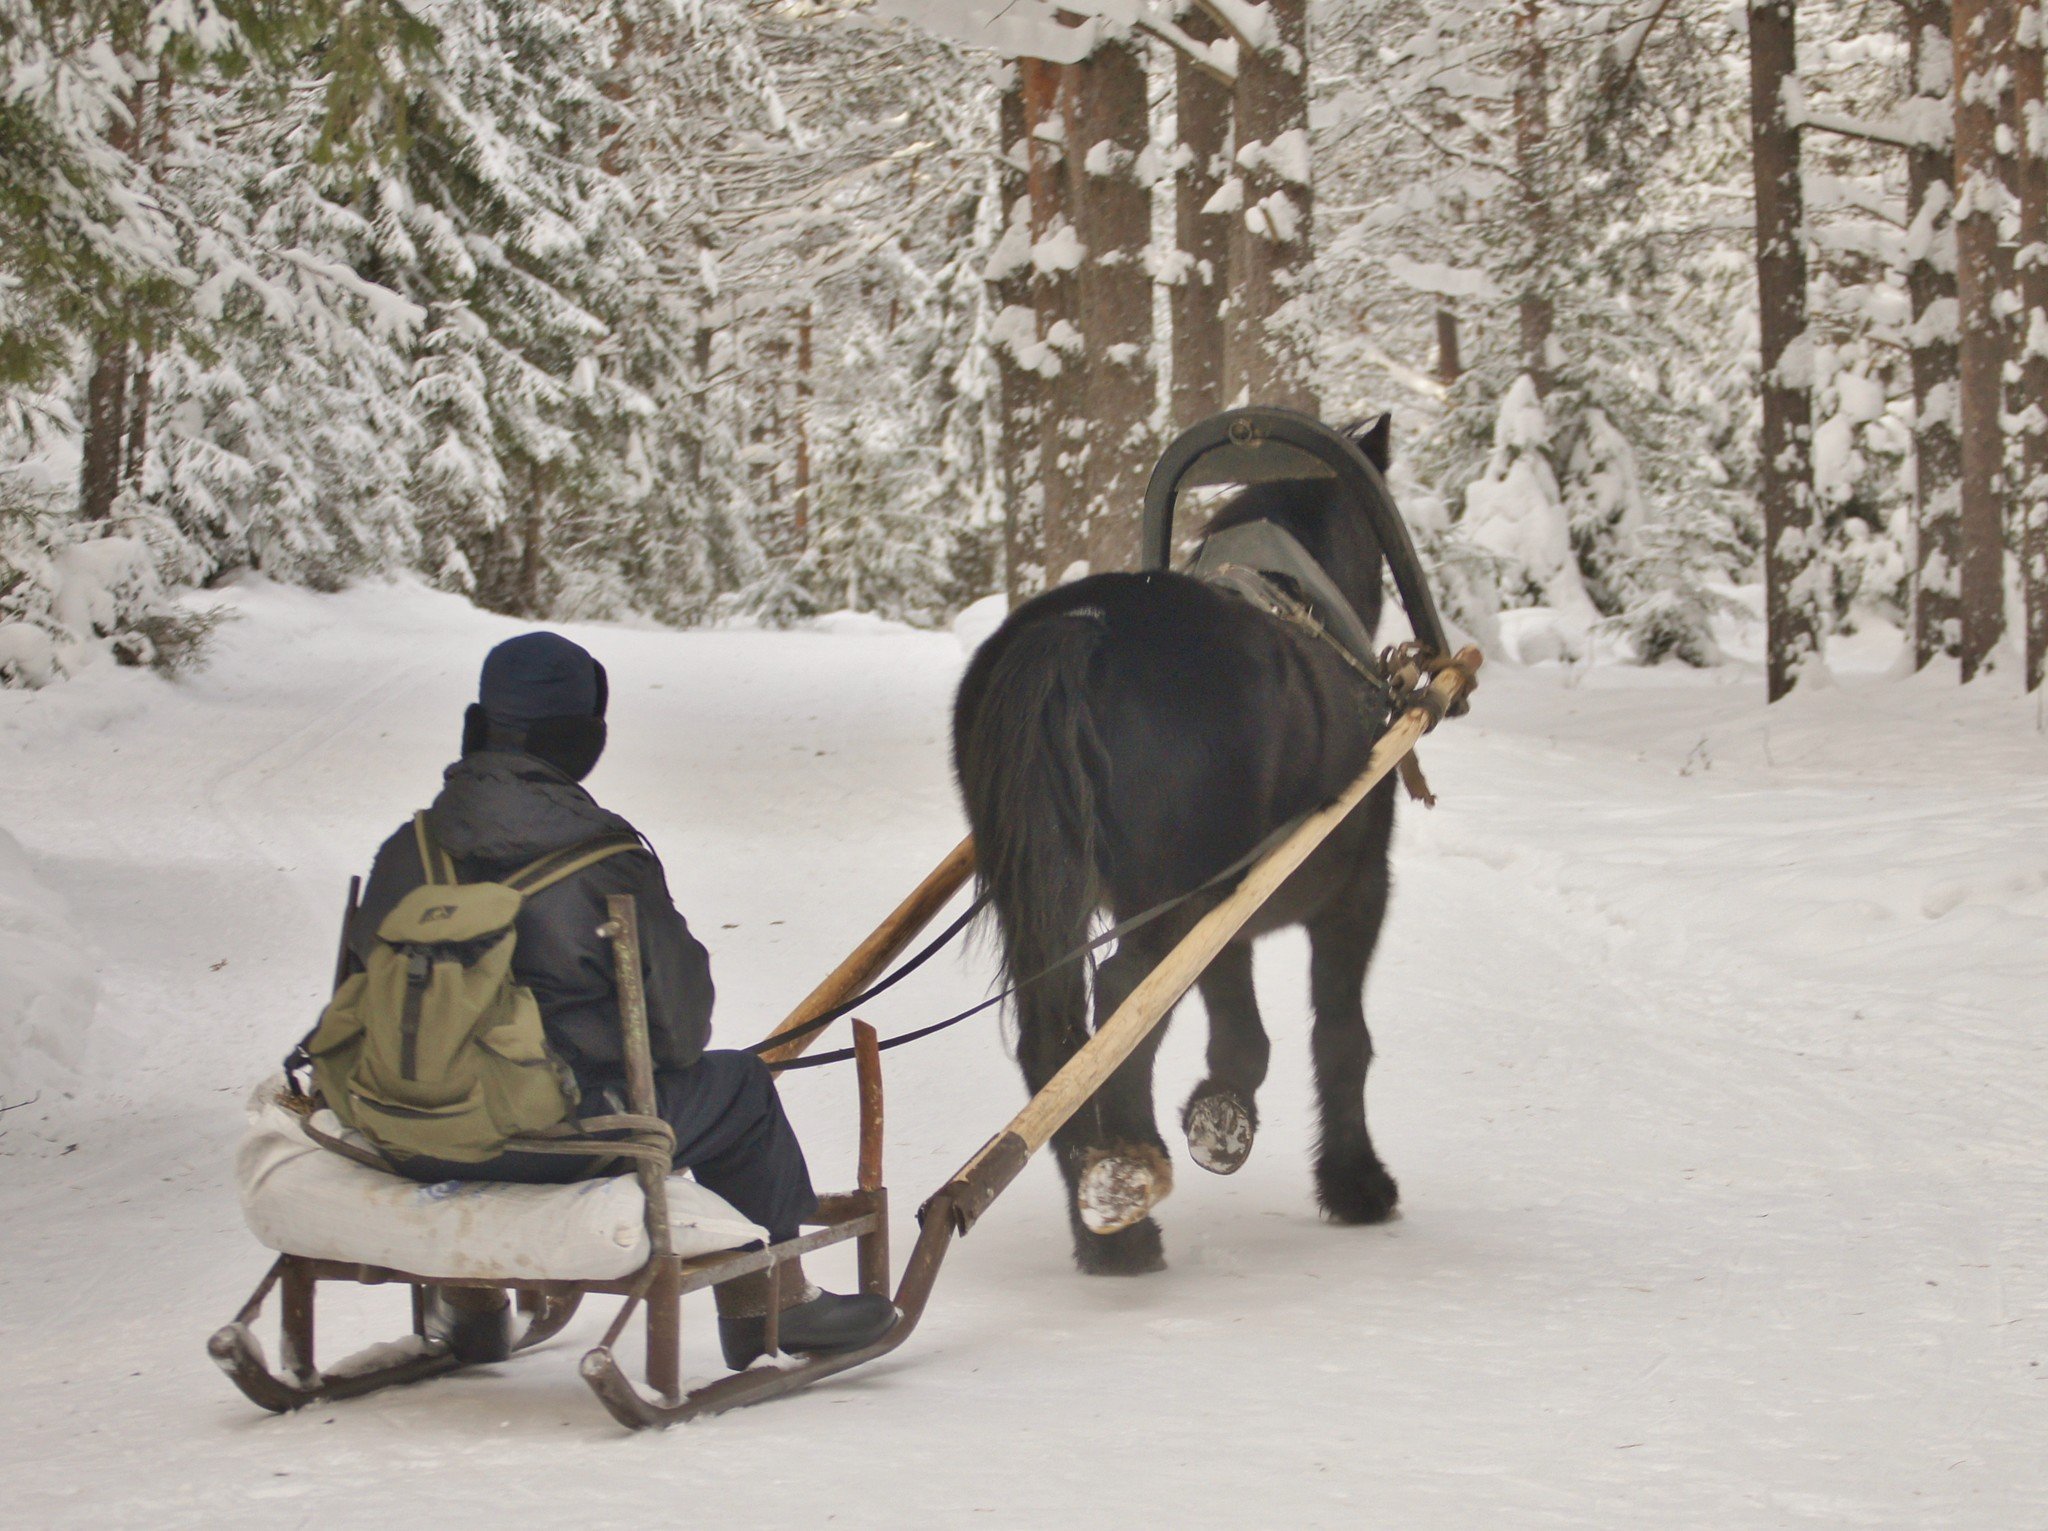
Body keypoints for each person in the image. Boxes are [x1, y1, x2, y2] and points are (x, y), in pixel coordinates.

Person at [346, 631, 895, 1369]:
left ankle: (472, 1304)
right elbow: (678, 1033)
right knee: (739, 1085)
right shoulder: (607, 863)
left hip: (403, 1132)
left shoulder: (405, 848)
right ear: (584, 740)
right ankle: (774, 1304)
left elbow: (358, 1003)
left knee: (465, 1083)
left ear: (479, 727)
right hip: (557, 1142)